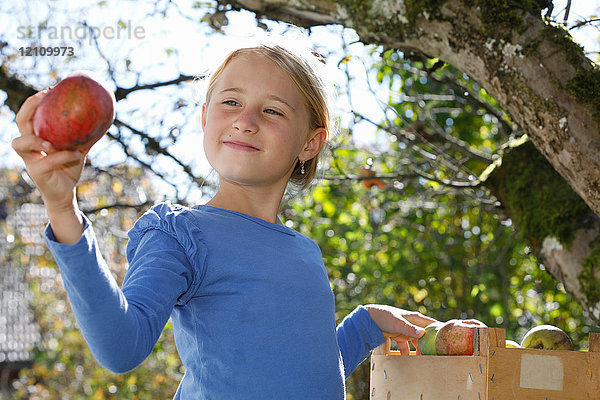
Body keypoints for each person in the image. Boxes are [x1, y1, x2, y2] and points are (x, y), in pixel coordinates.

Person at [12, 35, 437, 399]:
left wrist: (366, 324)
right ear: (205, 117)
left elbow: (301, 376)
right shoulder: (181, 233)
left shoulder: (304, 252)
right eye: (231, 101)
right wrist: (62, 206)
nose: (245, 121)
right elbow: (121, 347)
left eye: (272, 110)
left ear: (311, 142)